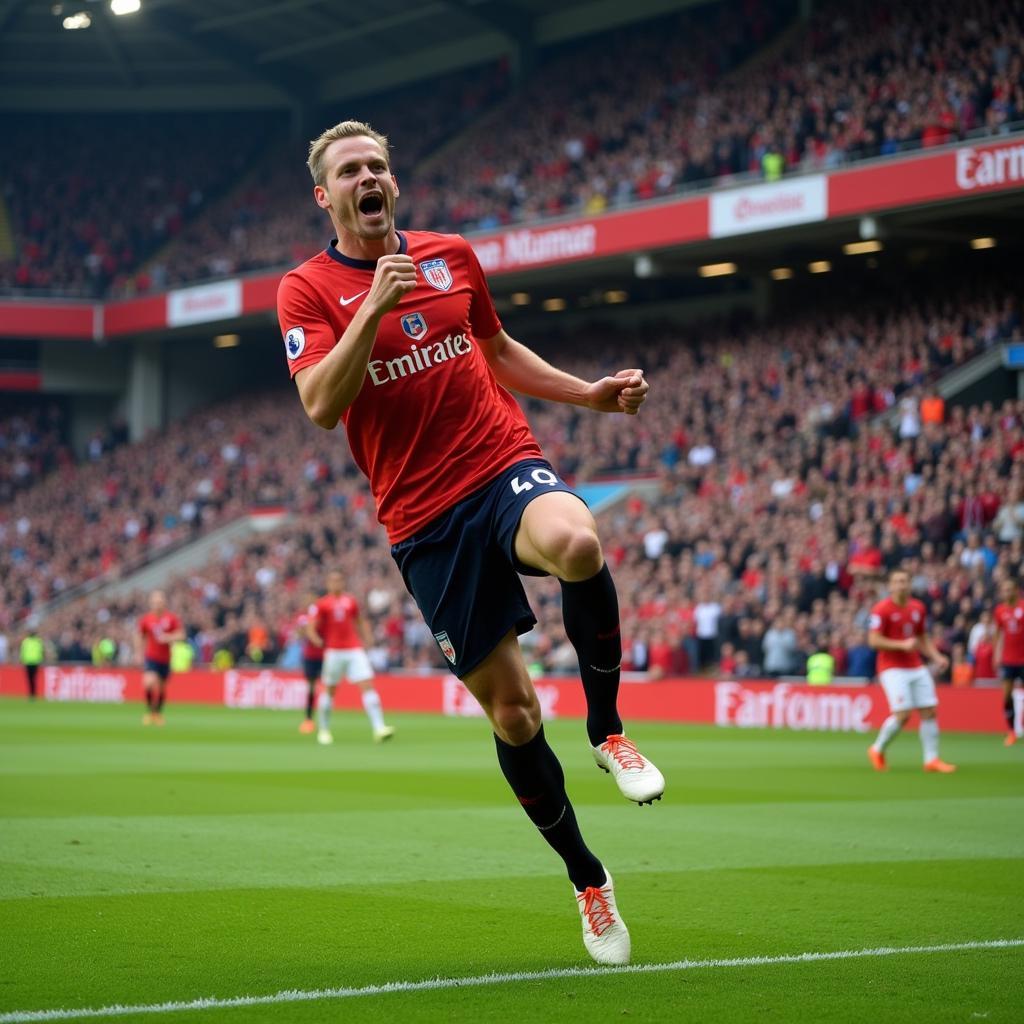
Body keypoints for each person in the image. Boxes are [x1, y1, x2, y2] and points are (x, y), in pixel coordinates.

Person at [277, 119, 664, 966]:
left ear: (393, 181)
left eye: (379, 163)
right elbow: (320, 404)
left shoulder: (451, 255)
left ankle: (606, 730)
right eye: (351, 170)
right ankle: (588, 880)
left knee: (580, 543)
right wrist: (373, 305)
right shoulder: (305, 291)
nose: (369, 177)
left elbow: (495, 351)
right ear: (327, 195)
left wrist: (588, 397)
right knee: (516, 712)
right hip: (422, 521)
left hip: (500, 464)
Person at [866, 568, 956, 773]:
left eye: (904, 581)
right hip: (891, 668)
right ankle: (877, 749)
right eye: (897, 581)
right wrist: (902, 645)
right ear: (890, 586)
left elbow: (922, 637)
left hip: (915, 665)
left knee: (929, 711)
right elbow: (873, 640)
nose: (901, 585)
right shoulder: (881, 609)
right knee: (903, 715)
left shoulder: (918, 608)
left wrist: (936, 656)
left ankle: (931, 760)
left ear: (910, 584)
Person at [307, 570, 393, 745]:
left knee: (367, 685)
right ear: (328, 583)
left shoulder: (350, 601)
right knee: (329, 691)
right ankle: (323, 730)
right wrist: (316, 639)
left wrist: (367, 638)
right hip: (334, 651)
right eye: (333, 580)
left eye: (339, 580)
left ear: (343, 582)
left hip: (354, 649)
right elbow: (311, 625)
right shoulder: (322, 604)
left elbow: (360, 621)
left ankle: (379, 728)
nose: (336, 583)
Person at [136, 590, 184, 726]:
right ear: (151, 603)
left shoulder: (171, 618)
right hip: (151, 657)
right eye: (155, 602)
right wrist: (139, 653)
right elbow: (140, 635)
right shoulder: (146, 619)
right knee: (149, 683)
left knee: (162, 688)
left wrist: (168, 637)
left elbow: (181, 635)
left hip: (165, 659)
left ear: (164, 603)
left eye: (160, 602)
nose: (157, 604)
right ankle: (150, 712)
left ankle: (157, 713)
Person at [993, 578, 1024, 746]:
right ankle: (1011, 732)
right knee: (1006, 696)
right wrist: (996, 656)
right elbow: (998, 634)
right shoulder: (999, 611)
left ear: (1016, 590)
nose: (1007, 593)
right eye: (1004, 590)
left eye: (1010, 589)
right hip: (1008, 660)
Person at [294, 591, 323, 735]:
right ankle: (309, 719)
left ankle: (324, 722)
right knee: (311, 688)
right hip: (310, 656)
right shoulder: (303, 617)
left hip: (325, 655)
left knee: (327, 688)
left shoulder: (322, 615)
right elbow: (299, 635)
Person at [19, 627, 45, 700]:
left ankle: (32, 694)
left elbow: (23, 652)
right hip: (31, 662)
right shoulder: (37, 641)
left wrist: (22, 659)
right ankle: (32, 694)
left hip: (32, 662)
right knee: (31, 679)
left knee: (31, 679)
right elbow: (41, 651)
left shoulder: (27, 641)